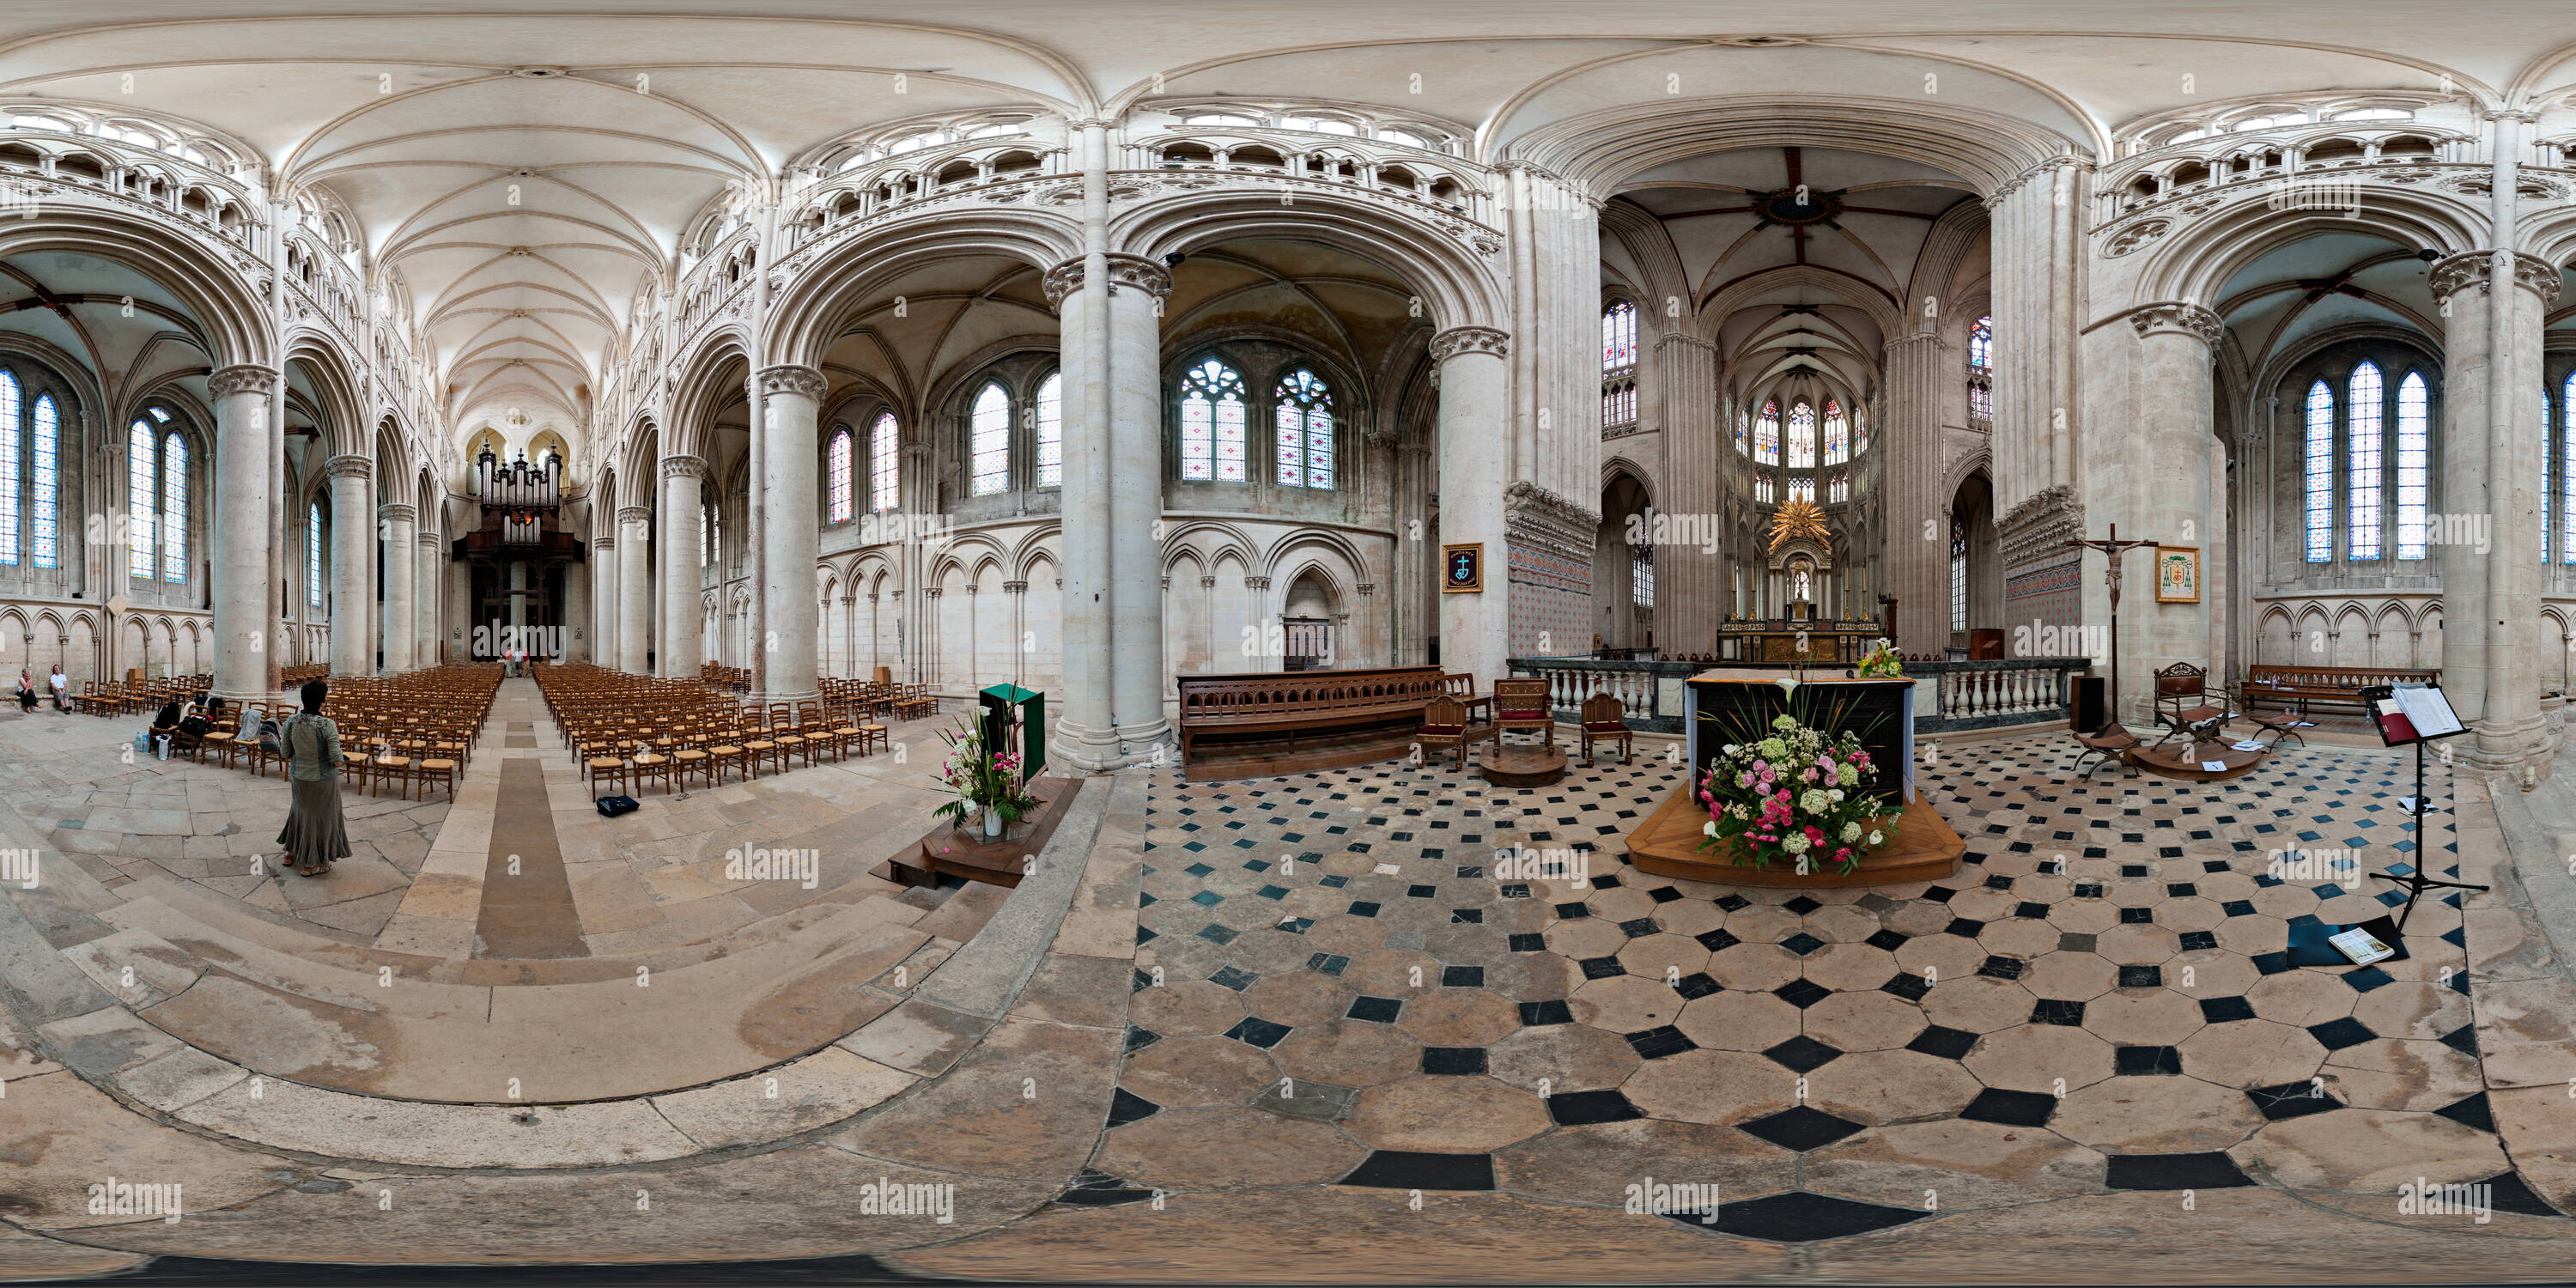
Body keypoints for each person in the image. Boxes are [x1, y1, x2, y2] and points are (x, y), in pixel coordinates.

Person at [276, 678, 350, 877]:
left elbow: (285, 753)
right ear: (322, 701)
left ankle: (290, 853)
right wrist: (344, 759)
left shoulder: (291, 721)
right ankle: (311, 864)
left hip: (299, 776)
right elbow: (337, 760)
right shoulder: (326, 724)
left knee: (299, 813)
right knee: (321, 819)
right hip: (322, 780)